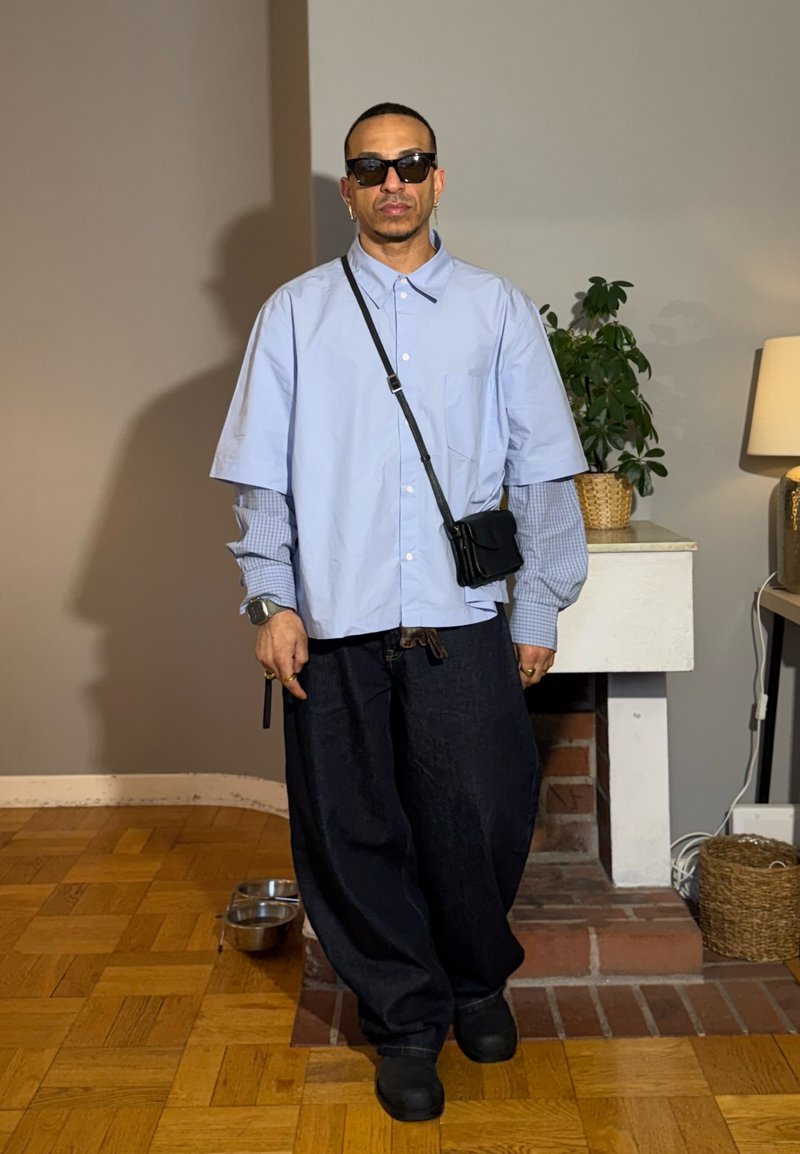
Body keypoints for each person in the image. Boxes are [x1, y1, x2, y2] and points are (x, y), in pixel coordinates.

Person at [211, 102, 588, 1123]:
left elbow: (545, 472)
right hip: (332, 625)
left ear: (435, 177)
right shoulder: (293, 314)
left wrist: (538, 605)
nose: (392, 181)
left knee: (481, 816)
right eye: (371, 167)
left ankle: (475, 978)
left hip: (461, 620)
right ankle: (407, 1018)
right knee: (350, 830)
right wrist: (272, 598)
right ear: (347, 186)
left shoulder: (497, 310)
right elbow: (261, 484)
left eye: (410, 163)